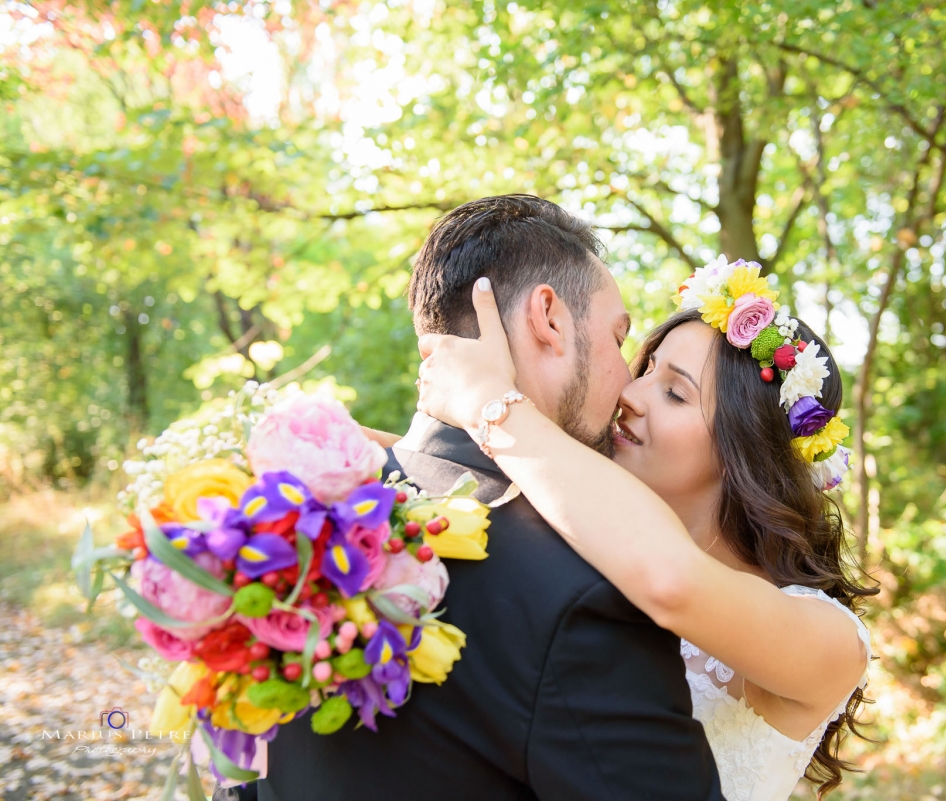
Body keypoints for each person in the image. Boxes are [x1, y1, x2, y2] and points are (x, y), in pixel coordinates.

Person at [257, 195, 725, 801]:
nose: (628, 384)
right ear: (549, 318)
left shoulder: (294, 520)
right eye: (619, 338)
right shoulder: (585, 593)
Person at [412, 257, 877, 800]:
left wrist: (487, 405)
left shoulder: (833, 641)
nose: (630, 394)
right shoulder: (590, 545)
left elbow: (673, 583)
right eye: (647, 367)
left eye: (675, 393)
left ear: (744, 449)